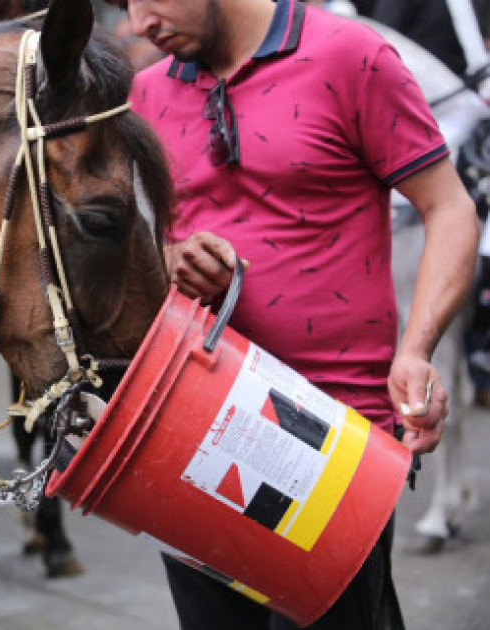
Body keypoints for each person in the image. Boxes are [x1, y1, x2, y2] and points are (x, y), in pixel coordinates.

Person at [110, 0, 479, 627]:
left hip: (331, 435)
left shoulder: (350, 56)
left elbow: (449, 208)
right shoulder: (145, 92)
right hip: (199, 429)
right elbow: (127, 247)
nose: (138, 24)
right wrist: (167, 259)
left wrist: (415, 350)